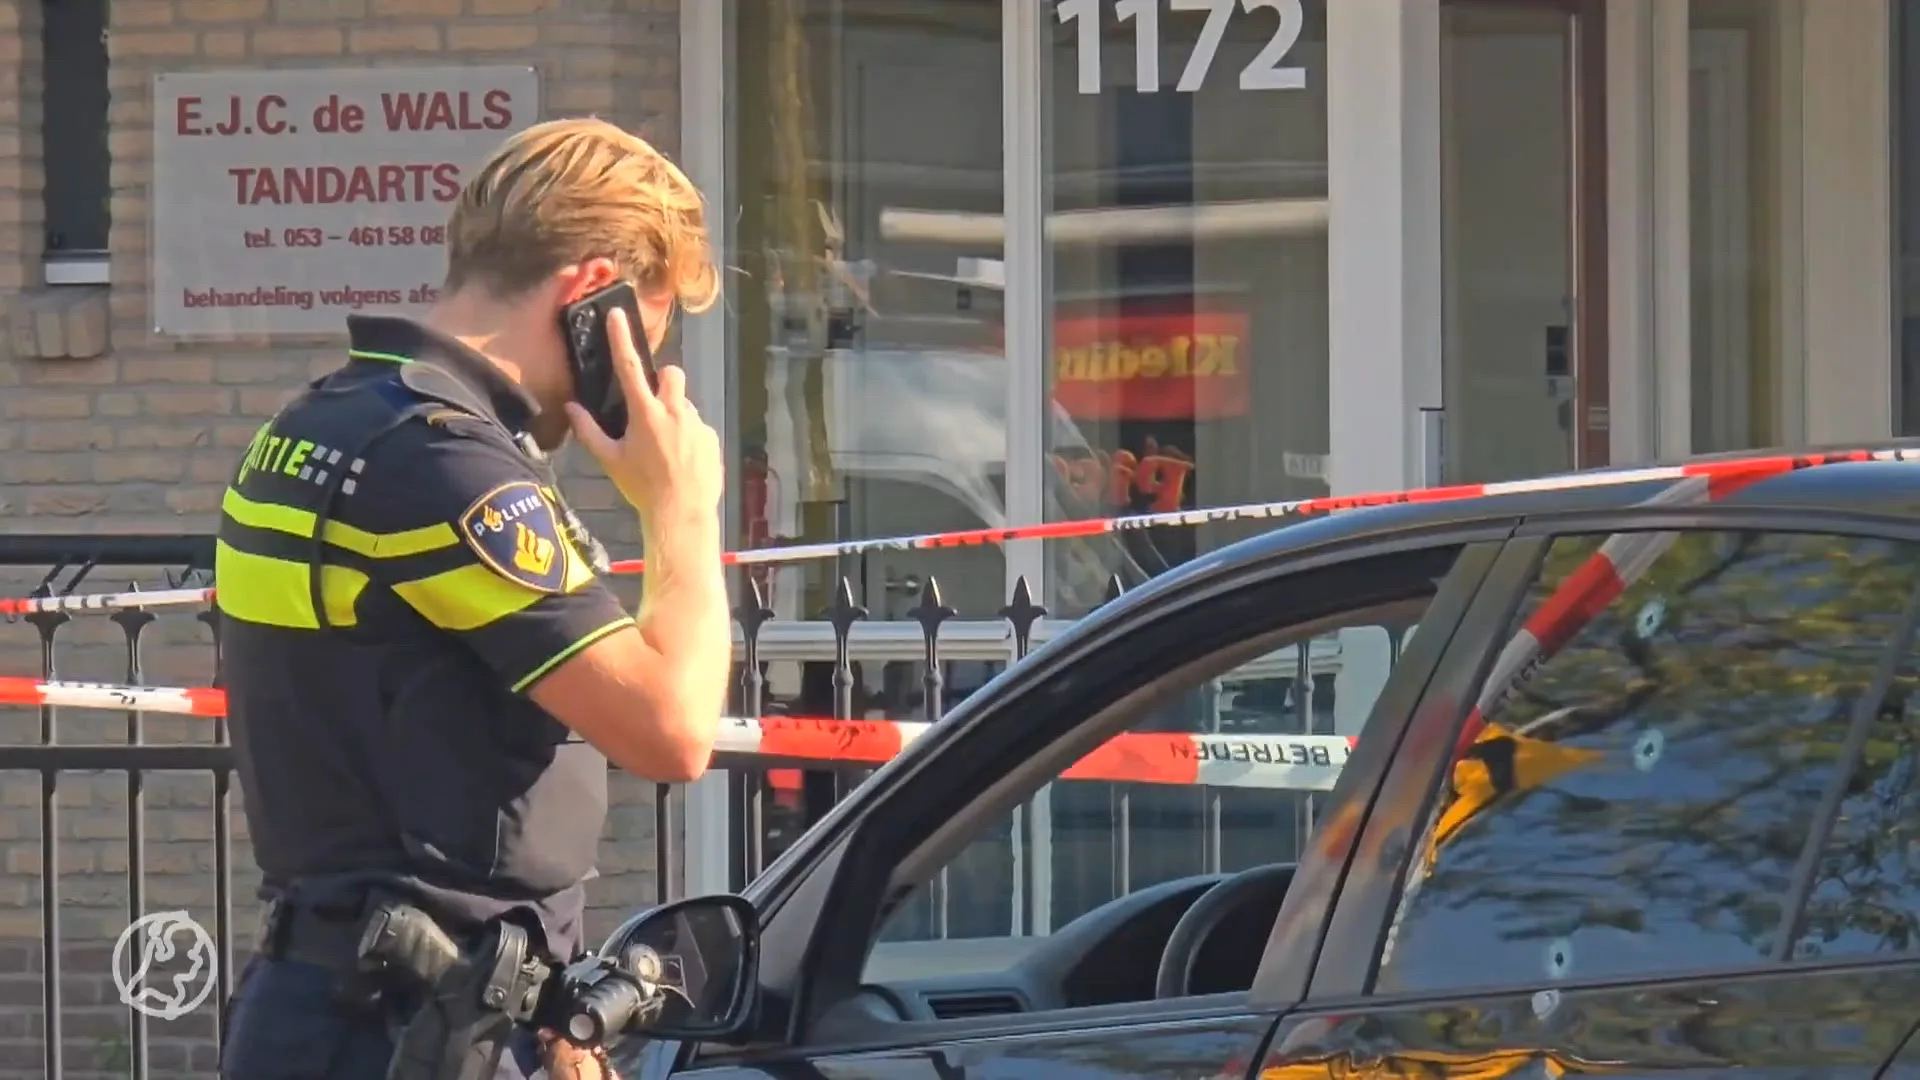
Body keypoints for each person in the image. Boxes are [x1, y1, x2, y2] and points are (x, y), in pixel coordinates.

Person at [214, 117, 731, 1079]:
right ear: (591, 296)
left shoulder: (319, 422)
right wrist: (683, 511)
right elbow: (671, 730)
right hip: (409, 1032)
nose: (642, 384)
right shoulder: (447, 468)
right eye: (643, 339)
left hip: (375, 1009)